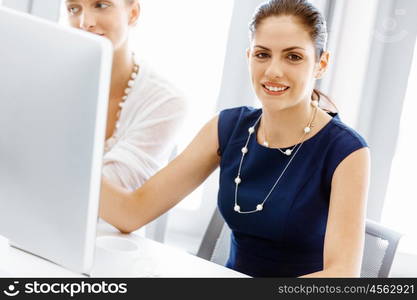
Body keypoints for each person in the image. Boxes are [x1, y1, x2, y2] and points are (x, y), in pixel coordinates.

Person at [99, 0, 370, 278]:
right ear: (249, 56)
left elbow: (343, 275)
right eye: (263, 55)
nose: (274, 71)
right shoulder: (229, 127)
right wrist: (61, 154)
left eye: (293, 57)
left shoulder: (346, 150)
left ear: (320, 64)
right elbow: (132, 212)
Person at [65, 0, 187, 190]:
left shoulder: (166, 101)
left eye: (101, 5)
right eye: (74, 8)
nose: (84, 22)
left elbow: (116, 188)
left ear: (133, 14)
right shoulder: (52, 81)